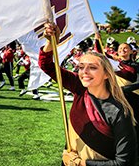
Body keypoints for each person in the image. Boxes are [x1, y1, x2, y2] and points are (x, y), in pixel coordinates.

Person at [40, 23, 137, 165]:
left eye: (92, 67)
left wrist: (82, 163)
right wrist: (50, 42)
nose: (84, 71)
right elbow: (46, 65)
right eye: (81, 67)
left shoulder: (120, 112)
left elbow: (125, 163)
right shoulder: (78, 86)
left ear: (106, 74)